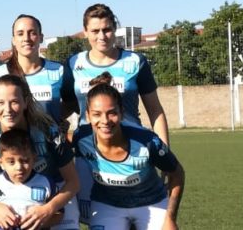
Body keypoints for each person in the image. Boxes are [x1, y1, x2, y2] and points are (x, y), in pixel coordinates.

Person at [62, 3, 170, 223]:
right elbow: (67, 107)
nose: (102, 35)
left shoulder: (134, 62)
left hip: (133, 152)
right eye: (95, 31)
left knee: (141, 214)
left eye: (107, 29)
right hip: (89, 156)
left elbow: (155, 111)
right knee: (96, 219)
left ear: (114, 29)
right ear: (85, 33)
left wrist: (164, 152)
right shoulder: (74, 64)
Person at [72, 72, 184, 230]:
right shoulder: (81, 138)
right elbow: (63, 140)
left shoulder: (147, 142)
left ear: (122, 113)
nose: (104, 121)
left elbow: (177, 174)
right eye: (97, 114)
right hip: (107, 205)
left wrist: (170, 218)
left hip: (152, 203)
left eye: (111, 113)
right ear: (88, 116)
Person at [0, 74, 80, 230]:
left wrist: (48, 209)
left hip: (54, 188)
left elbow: (73, 182)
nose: (7, 110)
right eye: (0, 103)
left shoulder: (47, 129)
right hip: (12, 187)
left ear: (25, 103)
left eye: (14, 102)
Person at [0, 14, 66, 124]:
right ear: (13, 40)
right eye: (20, 34)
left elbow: (72, 103)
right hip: (13, 140)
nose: (26, 38)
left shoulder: (59, 70)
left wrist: (57, 123)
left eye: (32, 33)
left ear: (41, 37)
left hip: (49, 140)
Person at [0, 129, 61, 230]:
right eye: (11, 162)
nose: (19, 167)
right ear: (1, 163)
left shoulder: (46, 183)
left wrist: (38, 222)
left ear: (34, 159)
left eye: (25, 161)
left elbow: (59, 214)